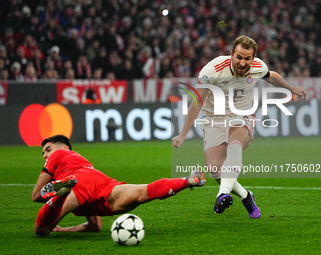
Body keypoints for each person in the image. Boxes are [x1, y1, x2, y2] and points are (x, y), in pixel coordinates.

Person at [172, 35, 307, 218]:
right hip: (214, 118)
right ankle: (246, 196)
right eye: (239, 57)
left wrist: (291, 88)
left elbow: (272, 76)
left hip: (242, 115)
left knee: (235, 143)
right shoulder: (212, 70)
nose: (243, 63)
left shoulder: (258, 67)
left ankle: (222, 194)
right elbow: (197, 102)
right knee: (215, 170)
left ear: (253, 58)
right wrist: (183, 133)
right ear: (231, 55)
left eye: (247, 58)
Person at [32, 135, 205, 236]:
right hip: (100, 182)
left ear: (64, 148)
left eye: (48, 149)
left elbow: (36, 195)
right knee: (143, 192)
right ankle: (187, 180)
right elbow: (95, 226)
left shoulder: (60, 154)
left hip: (75, 181)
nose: (45, 155)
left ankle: (60, 195)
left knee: (41, 229)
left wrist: (56, 203)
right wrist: (66, 230)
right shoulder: (82, 161)